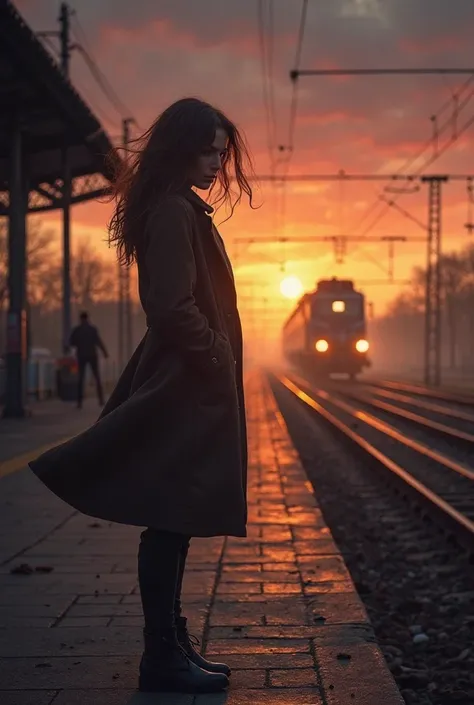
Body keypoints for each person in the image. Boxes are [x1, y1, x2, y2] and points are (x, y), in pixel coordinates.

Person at [29, 97, 255, 694]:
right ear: (180, 146)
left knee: (173, 516)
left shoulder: (176, 208)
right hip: (183, 380)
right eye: (206, 148)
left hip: (185, 376)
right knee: (168, 515)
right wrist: (214, 354)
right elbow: (171, 306)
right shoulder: (174, 213)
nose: (214, 161)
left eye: (220, 151)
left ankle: (172, 645)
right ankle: (162, 656)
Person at [69, 311, 109, 408]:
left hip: (81, 355)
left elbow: (72, 342)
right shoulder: (92, 329)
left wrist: (79, 344)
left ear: (80, 319)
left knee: (81, 379)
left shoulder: (77, 330)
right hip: (92, 355)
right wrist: (105, 352)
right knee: (97, 377)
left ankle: (79, 402)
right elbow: (98, 341)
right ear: (88, 318)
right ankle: (101, 400)